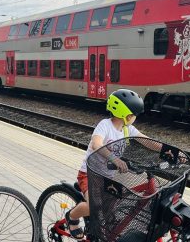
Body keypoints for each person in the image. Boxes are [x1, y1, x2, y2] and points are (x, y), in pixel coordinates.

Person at [65, 89, 155, 240]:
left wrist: (168, 150)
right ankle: (71, 218)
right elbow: (96, 144)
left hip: (108, 177)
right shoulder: (105, 125)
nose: (135, 118)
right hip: (89, 174)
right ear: (125, 115)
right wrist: (115, 159)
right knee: (94, 206)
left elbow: (146, 141)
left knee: (114, 203)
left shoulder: (128, 129)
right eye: (134, 115)